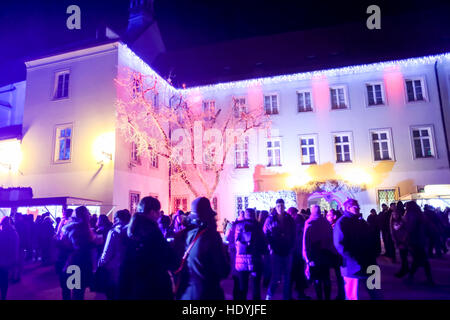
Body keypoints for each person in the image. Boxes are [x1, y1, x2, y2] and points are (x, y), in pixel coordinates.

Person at [119, 196, 177, 300]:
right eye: (158, 211)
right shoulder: (153, 232)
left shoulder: (126, 230)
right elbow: (169, 258)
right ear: (152, 212)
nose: (160, 214)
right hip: (153, 285)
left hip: (132, 284)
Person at [176, 197, 230, 300]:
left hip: (185, 293)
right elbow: (223, 270)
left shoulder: (181, 236)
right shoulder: (211, 237)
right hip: (208, 293)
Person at [333, 198, 380, 300]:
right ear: (348, 208)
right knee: (352, 295)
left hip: (368, 262)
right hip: (353, 265)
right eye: (355, 206)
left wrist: (374, 252)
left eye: (358, 205)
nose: (358, 208)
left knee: (375, 292)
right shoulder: (342, 223)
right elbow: (340, 245)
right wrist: (353, 258)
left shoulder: (361, 221)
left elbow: (370, 238)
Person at [60, 206, 96, 300]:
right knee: (78, 292)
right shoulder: (84, 229)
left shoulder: (69, 228)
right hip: (81, 263)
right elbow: (87, 249)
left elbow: (63, 245)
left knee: (69, 290)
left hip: (71, 262)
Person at [263, 199, 296, 300]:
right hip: (276, 251)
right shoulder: (270, 219)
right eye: (278, 206)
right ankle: (269, 296)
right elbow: (265, 233)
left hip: (287, 251)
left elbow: (294, 234)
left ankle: (286, 297)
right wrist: (270, 247)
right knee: (276, 276)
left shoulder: (289, 219)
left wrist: (291, 247)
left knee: (287, 277)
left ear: (284, 206)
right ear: (275, 207)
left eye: (281, 205)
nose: (280, 208)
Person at [303, 205, 337, 300]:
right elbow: (331, 239)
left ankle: (319, 298)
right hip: (325, 254)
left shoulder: (309, 222)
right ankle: (327, 298)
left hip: (314, 255)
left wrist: (306, 257)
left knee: (317, 279)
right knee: (326, 278)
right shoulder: (325, 223)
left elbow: (305, 241)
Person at [234, 208, 267, 300]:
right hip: (255, 260)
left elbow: (235, 242)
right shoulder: (257, 226)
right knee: (256, 287)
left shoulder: (238, 226)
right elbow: (263, 243)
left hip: (241, 261)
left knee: (242, 288)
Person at [98, 209, 131, 300]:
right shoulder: (132, 231)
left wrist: (101, 262)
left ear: (116, 219)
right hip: (128, 267)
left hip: (114, 268)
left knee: (112, 294)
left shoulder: (114, 232)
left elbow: (107, 251)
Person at [404, 201, 434, 285]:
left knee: (421, 259)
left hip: (415, 240)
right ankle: (413, 276)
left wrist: (406, 238)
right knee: (418, 258)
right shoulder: (420, 214)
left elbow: (410, 228)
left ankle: (428, 279)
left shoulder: (410, 215)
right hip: (421, 239)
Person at [287, 207, 310, 300]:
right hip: (296, 252)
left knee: (294, 275)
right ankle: (298, 294)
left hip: (294, 253)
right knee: (297, 274)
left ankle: (292, 294)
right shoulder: (297, 222)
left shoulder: (292, 222)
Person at [225, 210, 245, 300]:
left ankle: (237, 297)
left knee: (238, 278)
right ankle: (238, 297)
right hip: (237, 253)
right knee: (239, 278)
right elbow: (228, 238)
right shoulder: (234, 226)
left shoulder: (233, 226)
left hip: (236, 253)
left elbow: (227, 238)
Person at [0, 217, 19, 300]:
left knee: (3, 278)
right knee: (4, 278)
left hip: (2, 259)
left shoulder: (3, 233)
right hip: (8, 260)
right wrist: (14, 259)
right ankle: (3, 296)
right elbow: (15, 248)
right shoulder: (14, 233)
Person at [390, 206, 409, 278]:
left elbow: (407, 231)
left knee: (403, 256)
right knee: (403, 256)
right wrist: (395, 241)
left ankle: (404, 269)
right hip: (399, 241)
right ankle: (405, 268)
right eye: (394, 215)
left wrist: (404, 240)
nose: (395, 216)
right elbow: (393, 232)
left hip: (404, 241)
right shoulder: (393, 222)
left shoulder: (403, 221)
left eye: (396, 214)